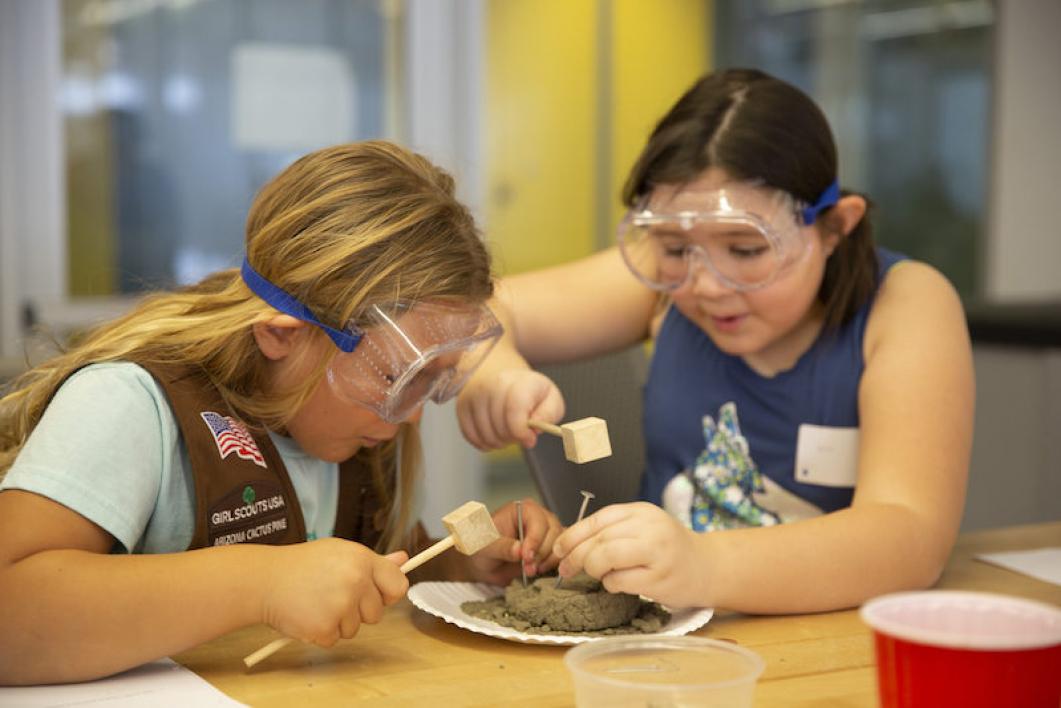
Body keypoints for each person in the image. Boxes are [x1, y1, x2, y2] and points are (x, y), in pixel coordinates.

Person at [0, 141, 561, 685]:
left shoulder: (353, 428)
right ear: (281, 335)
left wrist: (459, 567)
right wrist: (261, 584)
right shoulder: (129, 401)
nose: (411, 417)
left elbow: (349, 584)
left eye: (432, 382)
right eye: (397, 378)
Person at [457, 68, 974, 614]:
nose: (704, 285)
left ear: (834, 227)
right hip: (668, 647)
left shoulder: (905, 305)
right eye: (676, 249)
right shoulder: (661, 286)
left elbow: (910, 536)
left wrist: (706, 565)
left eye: (746, 250)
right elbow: (477, 311)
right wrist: (496, 371)